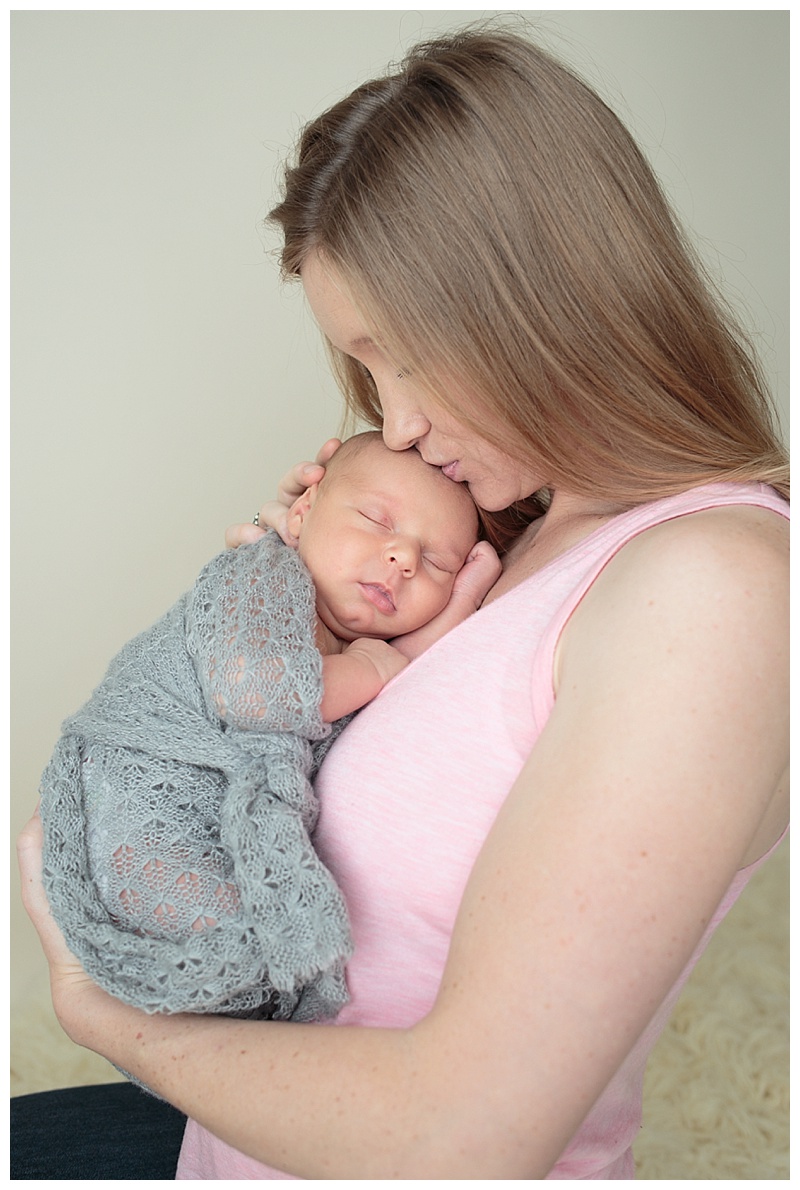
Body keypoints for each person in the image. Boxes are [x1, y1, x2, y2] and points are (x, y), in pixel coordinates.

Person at [17, 27, 788, 1180]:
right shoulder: (516, 537)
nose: (402, 420)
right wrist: (315, 621)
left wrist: (111, 1015)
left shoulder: (711, 591)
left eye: (406, 356)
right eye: (369, 376)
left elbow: (461, 1134)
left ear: (540, 297)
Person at [38, 431, 490, 1023]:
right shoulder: (261, 576)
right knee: (239, 943)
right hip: (141, 788)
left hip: (205, 826)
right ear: (301, 514)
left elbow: (380, 695)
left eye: (436, 561)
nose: (404, 557)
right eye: (379, 521)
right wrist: (368, 667)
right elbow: (257, 692)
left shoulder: (350, 641)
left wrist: (439, 625)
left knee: (257, 964)